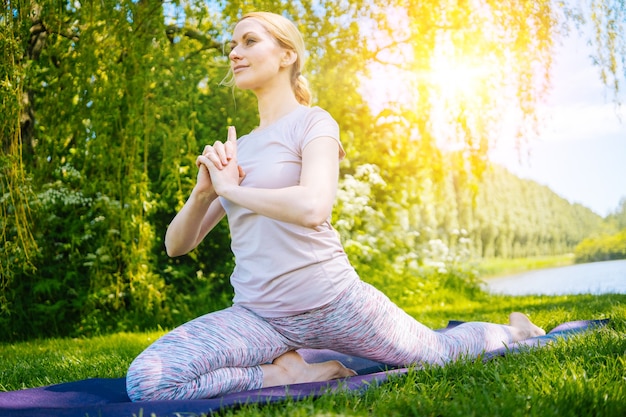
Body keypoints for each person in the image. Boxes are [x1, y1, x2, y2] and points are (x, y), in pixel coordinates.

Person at [126, 11, 545, 401]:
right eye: (231, 45)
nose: (234, 53)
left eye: (249, 41)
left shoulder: (315, 123)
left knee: (441, 352)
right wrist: (205, 192)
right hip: (260, 315)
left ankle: (513, 331)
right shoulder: (241, 149)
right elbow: (176, 246)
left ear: (287, 55)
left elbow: (313, 207)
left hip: (335, 302)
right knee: (149, 382)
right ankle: (288, 373)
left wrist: (231, 191)